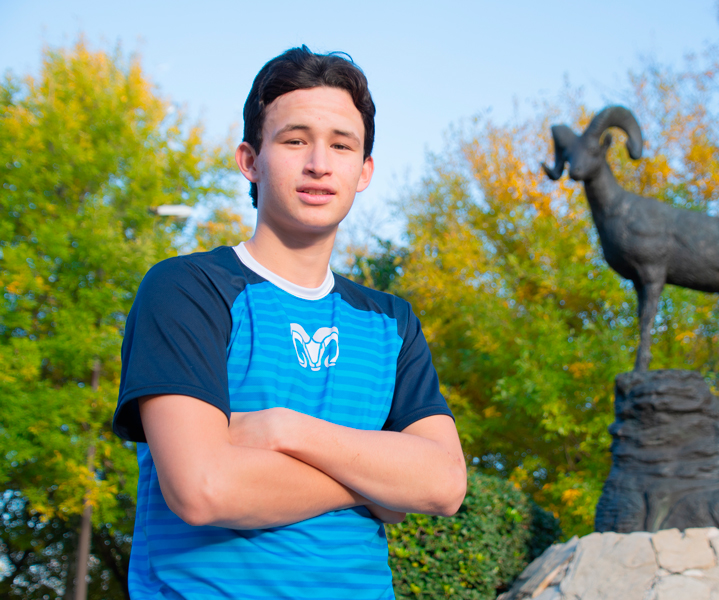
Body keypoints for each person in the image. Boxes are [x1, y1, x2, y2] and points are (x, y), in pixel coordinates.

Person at [112, 46, 467, 600]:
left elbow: (444, 485)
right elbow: (203, 489)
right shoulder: (188, 290)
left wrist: (283, 430)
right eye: (295, 139)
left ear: (364, 170)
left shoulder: (391, 322)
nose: (319, 163)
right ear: (250, 161)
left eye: (341, 145)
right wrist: (377, 484)